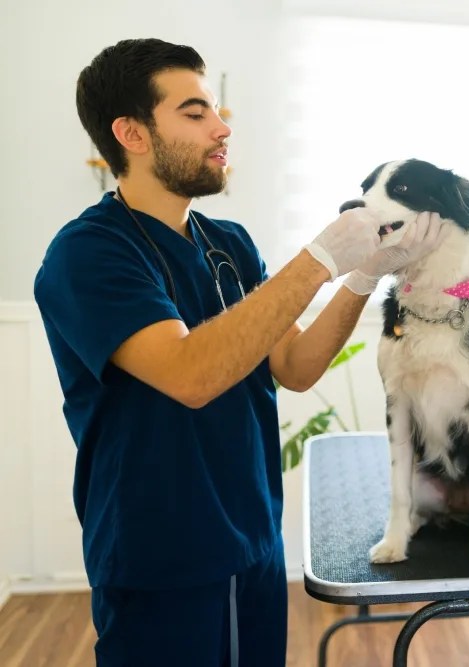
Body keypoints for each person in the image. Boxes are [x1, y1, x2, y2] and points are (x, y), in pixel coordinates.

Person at [33, 38, 443, 666]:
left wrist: (366, 274)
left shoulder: (227, 242)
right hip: (163, 556)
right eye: (195, 114)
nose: (222, 129)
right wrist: (320, 259)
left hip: (252, 542)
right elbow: (192, 375)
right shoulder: (88, 254)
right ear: (131, 134)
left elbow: (297, 368)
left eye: (217, 111)